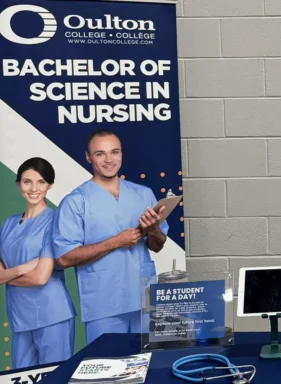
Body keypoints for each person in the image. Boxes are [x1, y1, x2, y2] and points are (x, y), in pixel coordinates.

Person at [51, 129, 169, 344]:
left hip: (144, 298)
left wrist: (153, 230)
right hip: (103, 304)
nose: (109, 160)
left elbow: (158, 245)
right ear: (88, 157)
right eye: (100, 154)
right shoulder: (76, 201)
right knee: (107, 367)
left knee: (150, 364)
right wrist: (115, 242)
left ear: (121, 154)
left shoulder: (143, 194)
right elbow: (64, 258)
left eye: (114, 152)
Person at [0, 157, 76, 369]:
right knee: (21, 377)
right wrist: (24, 268)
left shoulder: (54, 221)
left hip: (52, 315)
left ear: (49, 185)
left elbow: (41, 277)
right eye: (27, 182)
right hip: (19, 317)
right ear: (18, 184)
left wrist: (9, 276)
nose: (34, 188)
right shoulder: (7, 224)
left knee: (53, 377)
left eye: (41, 182)